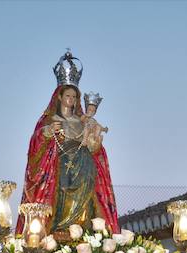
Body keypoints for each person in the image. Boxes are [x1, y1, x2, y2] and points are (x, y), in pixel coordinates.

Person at [16, 51, 119, 235]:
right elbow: (35, 145)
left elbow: (94, 147)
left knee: (87, 193)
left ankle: (84, 231)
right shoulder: (49, 119)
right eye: (68, 96)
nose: (71, 100)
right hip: (60, 168)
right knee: (62, 190)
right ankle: (58, 230)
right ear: (60, 97)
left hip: (85, 168)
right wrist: (47, 133)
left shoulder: (82, 121)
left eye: (74, 97)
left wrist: (95, 143)